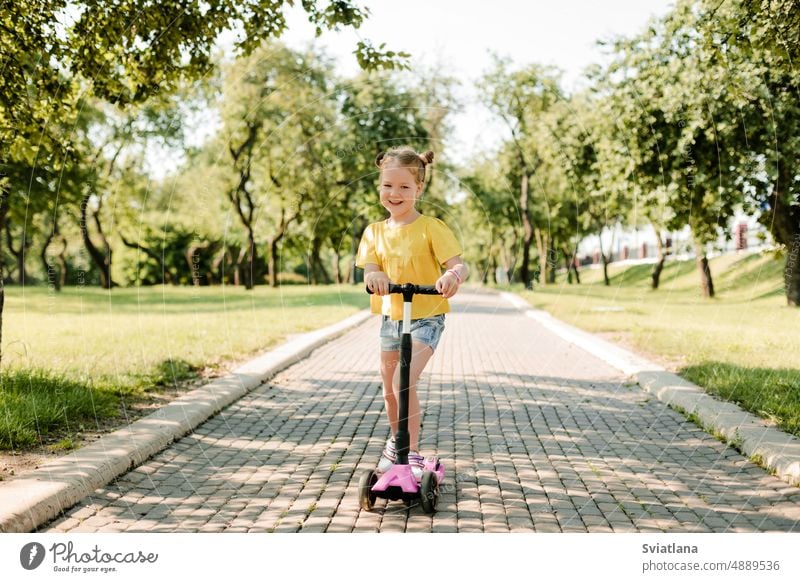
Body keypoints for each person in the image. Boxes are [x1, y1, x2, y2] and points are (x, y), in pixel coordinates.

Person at [355, 146, 469, 478]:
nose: (395, 193)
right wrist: (374, 276)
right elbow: (371, 269)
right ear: (379, 187)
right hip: (392, 319)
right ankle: (397, 445)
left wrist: (452, 276)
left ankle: (412, 451)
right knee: (389, 388)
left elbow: (459, 265)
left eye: (404, 187)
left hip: (426, 317)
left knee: (403, 379)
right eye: (388, 185)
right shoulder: (374, 232)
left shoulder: (431, 227)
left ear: (418, 189)